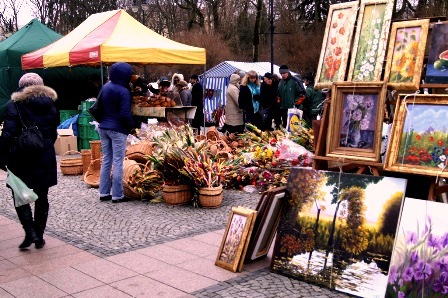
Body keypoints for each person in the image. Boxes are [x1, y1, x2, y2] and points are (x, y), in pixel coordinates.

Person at [0, 73, 59, 249]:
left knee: (19, 194)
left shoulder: (14, 105)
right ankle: (39, 235)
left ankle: (30, 231)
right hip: (45, 153)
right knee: (43, 196)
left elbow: (8, 133)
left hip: (21, 155)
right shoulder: (50, 105)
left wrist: (1, 155)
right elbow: (53, 133)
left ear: (21, 86)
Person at [98, 62, 134, 203]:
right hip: (118, 129)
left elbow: (99, 106)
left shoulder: (105, 87)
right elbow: (125, 114)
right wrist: (131, 126)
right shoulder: (123, 91)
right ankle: (117, 195)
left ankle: (104, 192)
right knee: (118, 162)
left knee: (107, 160)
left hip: (103, 127)